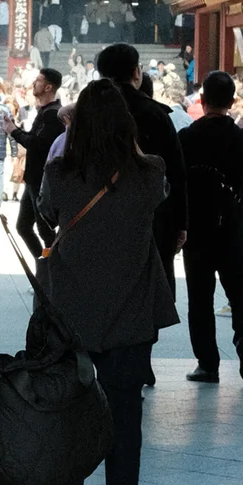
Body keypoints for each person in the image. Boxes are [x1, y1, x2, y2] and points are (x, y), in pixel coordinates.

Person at [38, 77, 176, 485]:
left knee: (69, 407)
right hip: (130, 307)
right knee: (125, 411)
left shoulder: (59, 173)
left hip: (70, 307)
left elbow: (43, 212)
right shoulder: (150, 171)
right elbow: (156, 206)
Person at [93, 43, 186, 387]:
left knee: (107, 286)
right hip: (152, 217)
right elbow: (176, 173)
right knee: (147, 288)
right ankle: (140, 358)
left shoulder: (90, 114)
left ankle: (107, 358)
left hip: (101, 218)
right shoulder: (155, 114)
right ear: (136, 72)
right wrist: (181, 223)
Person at [180, 70, 243, 384]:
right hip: (233, 224)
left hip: (197, 227)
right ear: (231, 102)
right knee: (240, 288)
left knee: (200, 297)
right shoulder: (242, 138)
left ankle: (208, 363)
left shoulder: (187, 137)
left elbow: (175, 182)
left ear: (201, 101)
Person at [14, 67, 64, 257]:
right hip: (33, 179)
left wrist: (13, 131)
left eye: (39, 80)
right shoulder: (44, 112)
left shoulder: (53, 115)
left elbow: (37, 144)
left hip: (42, 180)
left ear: (49, 87)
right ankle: (43, 267)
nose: (34, 83)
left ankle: (52, 273)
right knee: (23, 226)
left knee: (46, 231)